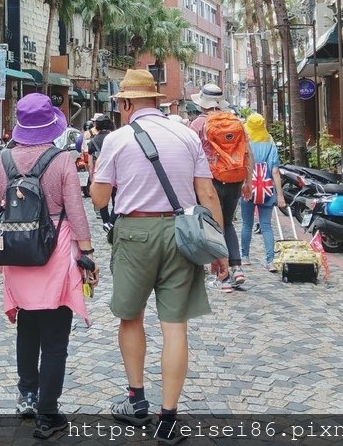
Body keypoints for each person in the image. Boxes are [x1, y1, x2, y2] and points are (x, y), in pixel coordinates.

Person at [90, 69, 225, 445]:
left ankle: (136, 401)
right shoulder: (186, 134)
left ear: (128, 103)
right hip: (181, 233)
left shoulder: (116, 140)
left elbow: (99, 199)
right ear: (157, 101)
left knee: (131, 317)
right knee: (175, 325)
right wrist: (220, 250)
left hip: (135, 233)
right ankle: (168, 418)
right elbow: (207, 194)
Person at [0, 93, 95, 440]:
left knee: (27, 327)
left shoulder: (3, 160)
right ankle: (49, 413)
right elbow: (75, 211)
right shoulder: (63, 160)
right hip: (56, 251)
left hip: (17, 253)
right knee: (55, 337)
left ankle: (27, 396)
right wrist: (87, 253)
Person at [188, 83, 253, 292]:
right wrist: (248, 181)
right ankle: (236, 267)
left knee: (213, 226)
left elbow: (189, 155)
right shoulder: (237, 122)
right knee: (228, 224)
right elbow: (247, 153)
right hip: (234, 179)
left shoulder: (197, 124)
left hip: (209, 181)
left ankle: (221, 277)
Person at [239, 113, 286, 272]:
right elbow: (275, 171)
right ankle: (270, 261)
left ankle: (244, 257)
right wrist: (280, 195)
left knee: (247, 223)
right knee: (266, 225)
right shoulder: (270, 143)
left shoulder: (245, 143)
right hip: (266, 189)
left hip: (248, 187)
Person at [88, 114, 116, 233]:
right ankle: (113, 221)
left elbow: (90, 163)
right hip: (115, 173)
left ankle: (105, 221)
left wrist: (91, 177)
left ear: (97, 126)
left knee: (102, 200)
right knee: (117, 198)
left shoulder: (92, 141)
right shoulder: (116, 138)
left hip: (99, 173)